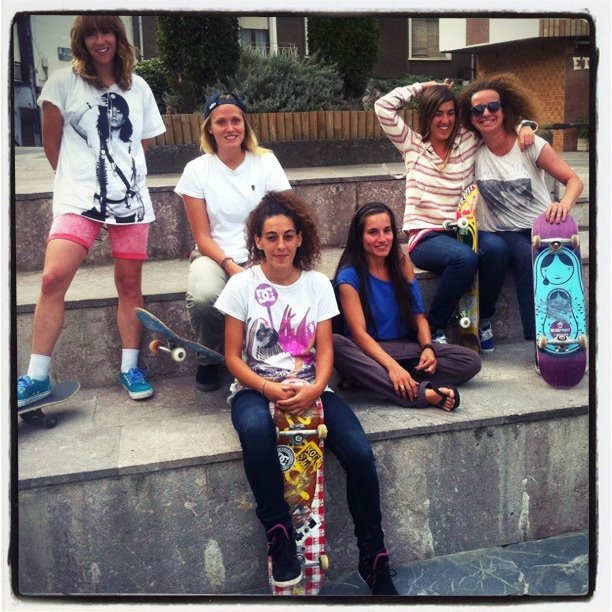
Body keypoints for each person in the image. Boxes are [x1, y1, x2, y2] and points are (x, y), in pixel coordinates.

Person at [214, 191, 398, 595]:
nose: (280, 245)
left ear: (300, 238)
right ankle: (280, 537)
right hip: (255, 387)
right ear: (257, 241)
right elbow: (232, 356)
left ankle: (374, 557)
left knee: (360, 453)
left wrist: (315, 389)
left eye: (288, 236)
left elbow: (326, 351)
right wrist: (266, 387)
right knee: (255, 433)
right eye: (271, 237)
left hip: (312, 386)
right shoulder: (242, 285)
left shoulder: (316, 285)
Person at [17, 15, 166, 407]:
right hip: (79, 199)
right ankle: (37, 377)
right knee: (52, 278)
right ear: (81, 41)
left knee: (129, 286)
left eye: (107, 32)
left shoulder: (139, 87)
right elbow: (52, 144)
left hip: (130, 201)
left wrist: (119, 181)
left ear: (118, 37)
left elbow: (140, 145)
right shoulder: (62, 82)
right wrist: (79, 180)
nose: (101, 40)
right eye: (92, 34)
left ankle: (130, 367)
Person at [375, 79, 536, 352]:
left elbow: (494, 123)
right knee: (465, 258)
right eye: (438, 113)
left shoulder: (467, 141)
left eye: (451, 113)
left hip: (463, 231)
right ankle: (435, 326)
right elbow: (383, 106)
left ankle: (482, 320)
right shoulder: (412, 144)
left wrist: (525, 126)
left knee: (497, 249)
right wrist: (424, 86)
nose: (445, 120)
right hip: (426, 235)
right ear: (427, 115)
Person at [174, 92, 291, 392]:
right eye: (221, 122)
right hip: (212, 254)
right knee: (204, 297)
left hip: (261, 251)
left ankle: (261, 357)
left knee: (269, 293)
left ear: (245, 124)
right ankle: (208, 358)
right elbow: (202, 236)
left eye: (236, 120)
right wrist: (229, 265)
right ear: (209, 128)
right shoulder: (196, 170)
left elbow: (285, 215)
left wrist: (259, 259)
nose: (230, 128)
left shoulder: (265, 162)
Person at [458, 73, 583, 345]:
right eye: (477, 110)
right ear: (470, 117)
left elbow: (574, 180)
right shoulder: (473, 151)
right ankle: (536, 337)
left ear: (506, 109)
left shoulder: (529, 144)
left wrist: (563, 205)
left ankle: (563, 333)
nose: (486, 113)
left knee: (555, 260)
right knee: (527, 257)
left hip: (540, 227)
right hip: (501, 232)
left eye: (493, 106)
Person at [333, 202, 481, 410]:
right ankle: (422, 394)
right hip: (367, 351)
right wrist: (393, 367)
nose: (382, 239)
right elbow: (359, 335)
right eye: (373, 232)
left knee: (470, 361)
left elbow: (419, 316)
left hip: (404, 349)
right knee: (336, 344)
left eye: (387, 231)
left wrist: (428, 348)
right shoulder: (349, 276)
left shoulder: (401, 264)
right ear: (359, 237)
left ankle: (374, 379)